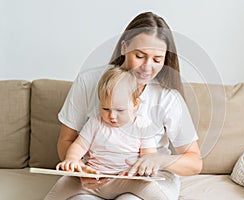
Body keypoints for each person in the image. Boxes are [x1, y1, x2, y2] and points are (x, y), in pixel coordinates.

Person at [56, 11, 202, 200]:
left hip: (144, 181)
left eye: (157, 59)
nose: (148, 67)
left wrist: (158, 160)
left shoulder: (168, 97)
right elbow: (65, 141)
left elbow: (194, 162)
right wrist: (79, 170)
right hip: (95, 177)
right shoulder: (89, 81)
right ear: (124, 48)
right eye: (140, 56)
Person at [45, 67, 163, 199]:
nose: (112, 116)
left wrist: (143, 169)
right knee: (64, 183)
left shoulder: (142, 126)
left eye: (120, 110)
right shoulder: (95, 123)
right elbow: (79, 146)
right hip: (92, 179)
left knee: (150, 187)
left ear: (135, 104)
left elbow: (150, 155)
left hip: (125, 180)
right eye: (106, 109)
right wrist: (73, 159)